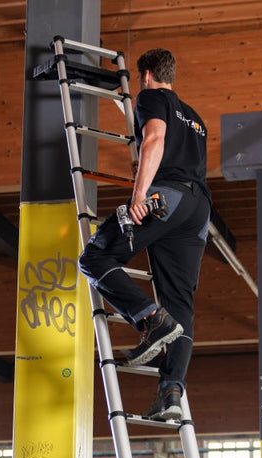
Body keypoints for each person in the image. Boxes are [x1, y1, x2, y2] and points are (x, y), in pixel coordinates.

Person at [78, 48, 211, 421]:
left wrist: (139, 195)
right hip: (198, 209)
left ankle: (151, 320)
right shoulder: (196, 119)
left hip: (165, 198)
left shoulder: (151, 96)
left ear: (147, 75)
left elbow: (154, 140)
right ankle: (171, 392)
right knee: (181, 302)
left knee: (94, 257)